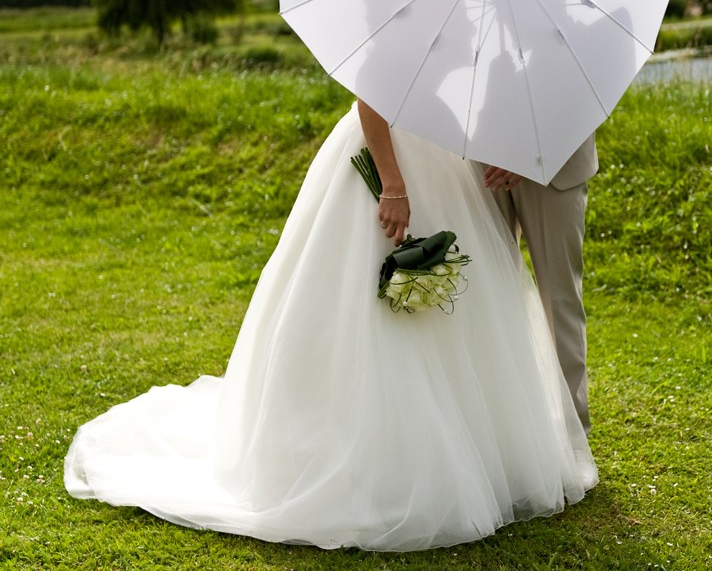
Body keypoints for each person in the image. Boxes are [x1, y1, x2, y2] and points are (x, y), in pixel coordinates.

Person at [65, 100, 597, 552]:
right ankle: (380, 461)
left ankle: (497, 452)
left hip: (451, 162)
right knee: (370, 315)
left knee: (473, 314)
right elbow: (374, 91)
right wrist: (392, 184)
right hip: (397, 163)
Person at [483, 135, 598, 436]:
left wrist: (529, 152)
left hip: (555, 164)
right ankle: (506, 432)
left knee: (559, 299)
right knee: (490, 295)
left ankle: (574, 436)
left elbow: (578, 98)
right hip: (483, 159)